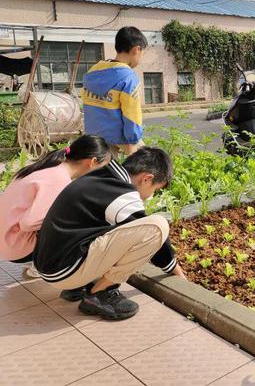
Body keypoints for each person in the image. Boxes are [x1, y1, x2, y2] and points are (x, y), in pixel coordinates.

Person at [33, 147, 186, 320]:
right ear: (147, 179)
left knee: (117, 228)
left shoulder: (102, 176)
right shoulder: (122, 193)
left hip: (51, 264)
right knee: (157, 226)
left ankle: (80, 286)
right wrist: (177, 271)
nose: (152, 195)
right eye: (156, 189)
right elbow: (156, 239)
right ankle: (100, 293)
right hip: (65, 270)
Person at [0, 135, 110, 275]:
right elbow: (28, 223)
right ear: (93, 162)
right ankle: (44, 267)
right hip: (14, 247)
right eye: (102, 167)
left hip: (5, 239)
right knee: (79, 227)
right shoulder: (58, 179)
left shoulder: (47, 167)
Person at [82, 26, 146, 159]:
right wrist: (132, 142)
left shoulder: (93, 71)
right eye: (142, 53)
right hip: (119, 137)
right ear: (136, 49)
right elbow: (132, 115)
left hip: (94, 138)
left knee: (105, 174)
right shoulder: (128, 78)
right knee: (147, 164)